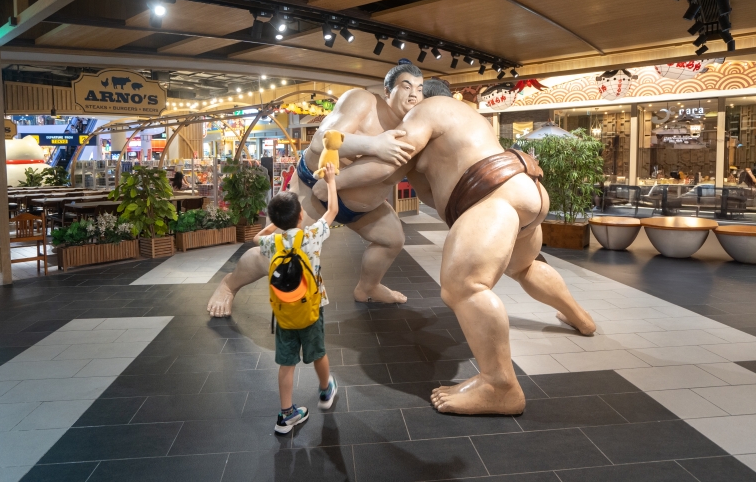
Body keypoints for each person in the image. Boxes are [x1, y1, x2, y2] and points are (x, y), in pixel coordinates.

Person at [312, 81, 594, 415]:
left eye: (415, 92)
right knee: (523, 267)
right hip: (525, 190)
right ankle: (580, 318)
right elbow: (428, 184)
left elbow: (390, 164)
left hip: (491, 197)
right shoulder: (465, 117)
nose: (410, 100)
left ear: (426, 97)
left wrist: (331, 182)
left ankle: (499, 386)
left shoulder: (428, 111)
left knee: (463, 286)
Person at [206, 63, 423, 317]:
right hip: (313, 192)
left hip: (365, 209)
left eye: (419, 89)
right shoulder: (362, 101)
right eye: (406, 86)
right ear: (388, 90)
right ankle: (229, 285)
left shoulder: (415, 128)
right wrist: (373, 144)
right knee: (277, 254)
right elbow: (321, 140)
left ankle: (368, 287)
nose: (413, 95)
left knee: (392, 239)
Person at [256, 163, 339, 433]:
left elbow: (257, 238)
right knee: (318, 353)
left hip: (284, 312)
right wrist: (330, 180)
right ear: (301, 215)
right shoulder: (311, 236)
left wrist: (274, 226)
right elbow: (333, 212)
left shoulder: (272, 244)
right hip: (312, 307)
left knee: (286, 362)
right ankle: (326, 391)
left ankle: (287, 414)